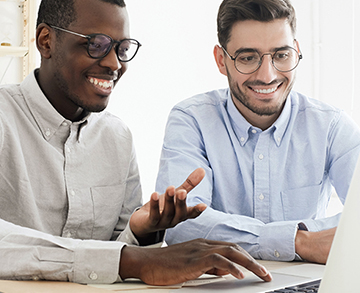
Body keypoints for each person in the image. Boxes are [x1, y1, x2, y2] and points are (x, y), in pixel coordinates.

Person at [0, 0, 272, 286]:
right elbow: (124, 261)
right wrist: (132, 260)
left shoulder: (117, 138)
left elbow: (120, 256)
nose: (114, 63)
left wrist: (143, 232)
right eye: (96, 44)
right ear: (46, 41)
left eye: (123, 49)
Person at [156, 0, 360, 265]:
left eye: (281, 55)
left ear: (297, 52)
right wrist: (299, 241)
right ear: (222, 61)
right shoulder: (192, 120)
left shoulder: (331, 126)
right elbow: (181, 227)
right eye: (247, 58)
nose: (267, 76)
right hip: (223, 285)